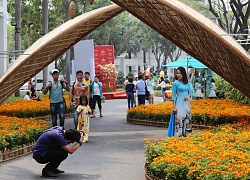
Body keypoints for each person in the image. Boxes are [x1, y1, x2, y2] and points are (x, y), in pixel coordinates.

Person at [172, 66, 192, 137]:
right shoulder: (175, 83)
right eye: (177, 73)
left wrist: (188, 96)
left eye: (180, 73)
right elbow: (173, 96)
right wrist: (174, 107)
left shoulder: (188, 83)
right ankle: (178, 136)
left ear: (183, 74)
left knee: (187, 119)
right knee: (179, 120)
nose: (178, 75)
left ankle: (187, 135)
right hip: (179, 103)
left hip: (186, 104)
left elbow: (191, 92)